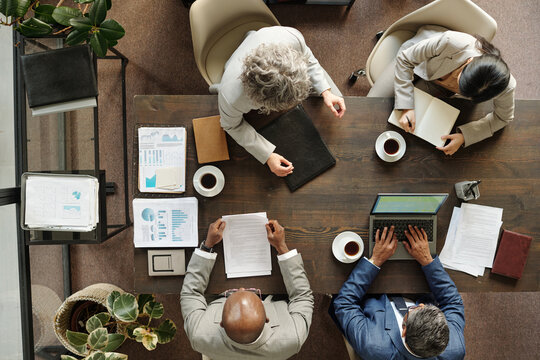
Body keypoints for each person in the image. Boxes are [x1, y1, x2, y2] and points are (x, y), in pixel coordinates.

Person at [218, 26, 346, 177]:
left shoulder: (292, 37)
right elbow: (230, 125)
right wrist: (267, 155)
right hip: (236, 71)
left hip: (266, 38)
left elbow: (308, 57)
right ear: (261, 101)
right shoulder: (231, 98)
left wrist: (326, 91)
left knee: (336, 94)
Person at [368, 25, 515, 156]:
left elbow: (503, 117)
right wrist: (407, 105)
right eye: (460, 82)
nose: (455, 88)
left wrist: (465, 136)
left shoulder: (505, 86)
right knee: (370, 107)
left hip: (435, 87)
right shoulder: (451, 41)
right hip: (412, 62)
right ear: (469, 61)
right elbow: (406, 59)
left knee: (408, 135)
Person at [180, 218, 314, 360]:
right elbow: (302, 296)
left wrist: (207, 247)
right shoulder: (293, 336)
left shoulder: (198, 333)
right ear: (267, 318)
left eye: (236, 293)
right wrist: (282, 247)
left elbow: (190, 293)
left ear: (221, 323)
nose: (241, 287)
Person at [333, 225, 465, 359]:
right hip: (418, 286)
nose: (421, 305)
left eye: (414, 310)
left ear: (404, 331)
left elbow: (344, 303)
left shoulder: (373, 345)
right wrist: (427, 261)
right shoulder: (454, 347)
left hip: (371, 293)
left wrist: (375, 261)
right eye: (426, 307)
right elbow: (452, 302)